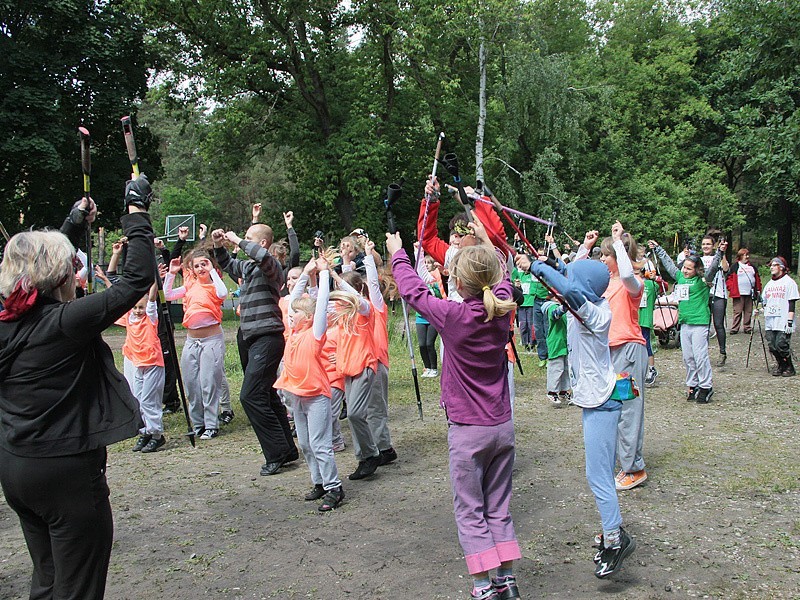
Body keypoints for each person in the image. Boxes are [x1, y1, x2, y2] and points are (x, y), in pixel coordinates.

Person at [0, 176, 155, 599]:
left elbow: (34, 274)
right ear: (60, 274)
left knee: (48, 580)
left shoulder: (6, 322)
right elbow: (136, 280)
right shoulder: (65, 324)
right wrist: (137, 213)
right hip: (65, 474)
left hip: (17, 467)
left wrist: (70, 223)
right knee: (78, 588)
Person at [389, 214, 523, 600]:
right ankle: (507, 580)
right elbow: (504, 272)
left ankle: (483, 586)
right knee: (498, 506)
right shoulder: (502, 307)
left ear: (458, 283)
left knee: (470, 510)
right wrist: (486, 239)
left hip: (468, 430)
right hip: (502, 426)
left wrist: (398, 254)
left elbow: (414, 293)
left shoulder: (454, 315)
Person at [530, 251, 637, 580]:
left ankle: (616, 540)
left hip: (602, 403)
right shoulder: (586, 305)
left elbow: (572, 290)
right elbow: (570, 283)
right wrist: (551, 266)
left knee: (599, 477)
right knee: (599, 474)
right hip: (595, 401)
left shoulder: (596, 313)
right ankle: (613, 532)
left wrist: (537, 268)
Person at [213, 223, 299, 475]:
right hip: (250, 338)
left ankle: (277, 453)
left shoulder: (271, 266)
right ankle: (287, 449)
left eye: (249, 238)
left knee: (250, 396)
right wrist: (219, 245)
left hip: (268, 337)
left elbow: (261, 256)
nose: (243, 241)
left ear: (261, 243)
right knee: (268, 395)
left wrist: (237, 239)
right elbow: (228, 264)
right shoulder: (249, 268)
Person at [274, 257, 345, 510]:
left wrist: (324, 275)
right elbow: (293, 299)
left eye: (296, 315)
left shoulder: (314, 333)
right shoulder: (293, 332)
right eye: (291, 314)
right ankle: (319, 482)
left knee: (320, 444)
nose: (290, 317)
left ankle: (334, 487)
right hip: (297, 395)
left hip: (316, 395)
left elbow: (322, 301)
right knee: (305, 444)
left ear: (309, 317)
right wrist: (305, 273)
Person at [163, 250, 228, 439]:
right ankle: (198, 423)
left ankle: (211, 424)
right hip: (192, 340)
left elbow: (223, 293)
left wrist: (213, 271)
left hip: (211, 340)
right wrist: (172, 273)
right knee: (191, 383)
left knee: (209, 382)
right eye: (197, 265)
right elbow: (167, 294)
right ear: (191, 268)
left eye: (204, 264)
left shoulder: (214, 286)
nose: (201, 268)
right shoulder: (190, 285)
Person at [650, 240, 725, 402]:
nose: (685, 271)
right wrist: (658, 249)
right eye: (684, 267)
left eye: (689, 269)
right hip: (685, 322)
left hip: (699, 322)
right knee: (688, 357)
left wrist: (719, 253)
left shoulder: (703, 280)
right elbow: (669, 264)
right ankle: (693, 384)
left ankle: (706, 385)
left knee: (700, 355)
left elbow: (712, 268)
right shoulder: (680, 277)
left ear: (697, 269)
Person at [118, 282, 166, 453]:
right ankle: (145, 431)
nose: (138, 311)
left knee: (148, 400)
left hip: (152, 363)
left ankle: (157, 434)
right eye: (135, 307)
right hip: (138, 364)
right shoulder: (130, 319)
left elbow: (152, 299)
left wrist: (154, 281)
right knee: (138, 400)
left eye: (141, 307)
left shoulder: (150, 318)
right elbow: (120, 298)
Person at [762, 256, 798, 376]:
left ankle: (789, 366)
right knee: (772, 345)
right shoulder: (769, 284)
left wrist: (789, 321)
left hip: (783, 319)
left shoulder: (789, 283)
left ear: (781, 267)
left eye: (774, 265)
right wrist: (760, 310)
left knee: (781, 344)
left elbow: (791, 303)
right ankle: (780, 365)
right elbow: (764, 301)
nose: (771, 268)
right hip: (770, 320)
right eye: (771, 265)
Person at [414, 247, 444, 377]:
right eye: (424, 263)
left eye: (428, 263)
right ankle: (427, 367)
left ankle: (434, 367)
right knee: (421, 344)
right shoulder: (419, 279)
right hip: (420, 317)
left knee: (429, 343)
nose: (426, 265)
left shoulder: (436, 279)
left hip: (433, 316)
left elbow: (441, 295)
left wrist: (434, 289)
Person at [701, 234, 729, 366]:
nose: (705, 246)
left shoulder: (717, 256)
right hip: (703, 295)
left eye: (708, 244)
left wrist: (722, 253)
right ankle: (702, 352)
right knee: (703, 325)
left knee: (718, 324)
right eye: (703, 244)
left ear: (713, 246)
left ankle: (722, 352)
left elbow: (725, 269)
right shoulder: (698, 260)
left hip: (718, 294)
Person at [542, 294, 570, 406]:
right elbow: (555, 315)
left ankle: (564, 391)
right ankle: (552, 391)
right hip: (556, 343)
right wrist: (564, 307)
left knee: (566, 368)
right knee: (556, 368)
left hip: (565, 342)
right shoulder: (551, 307)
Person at [727, 248, 761, 335]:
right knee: (737, 311)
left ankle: (747, 327)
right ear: (740, 256)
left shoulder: (752, 267)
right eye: (745, 255)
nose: (747, 257)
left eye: (747, 255)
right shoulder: (735, 266)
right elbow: (729, 279)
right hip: (738, 293)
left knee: (748, 311)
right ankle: (735, 328)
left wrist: (758, 290)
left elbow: (757, 279)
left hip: (750, 293)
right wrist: (731, 288)